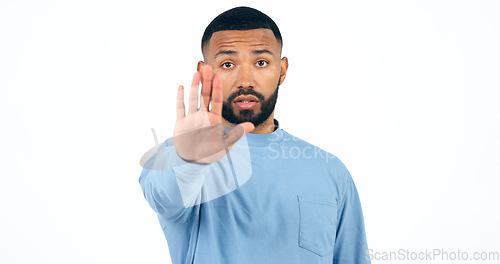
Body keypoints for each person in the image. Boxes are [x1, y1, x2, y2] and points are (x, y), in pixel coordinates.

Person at [139, 6, 370, 264]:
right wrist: (190, 162)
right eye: (228, 64)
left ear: (282, 70)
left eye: (261, 62)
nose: (245, 80)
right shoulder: (178, 156)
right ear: (206, 73)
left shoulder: (330, 171)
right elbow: (165, 196)